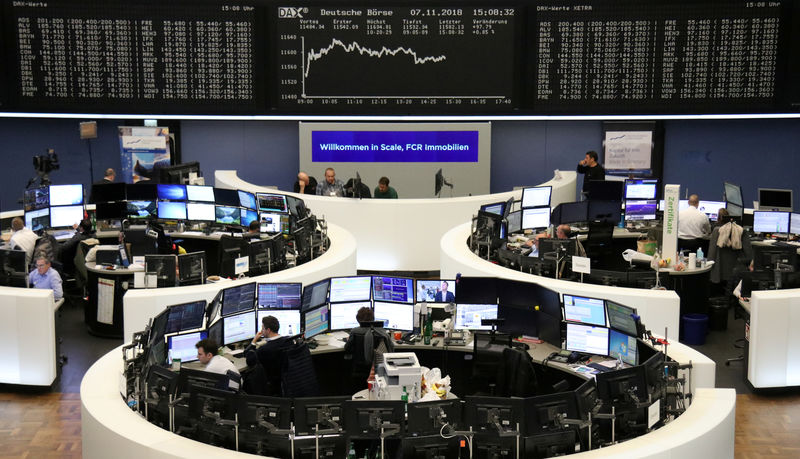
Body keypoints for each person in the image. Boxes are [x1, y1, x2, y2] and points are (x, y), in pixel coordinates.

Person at [344, 307, 394, 391]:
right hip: (378, 371)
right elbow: (391, 351)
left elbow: (347, 348)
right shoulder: (383, 333)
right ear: (373, 319)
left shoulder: (354, 331)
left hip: (358, 370)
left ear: (358, 320)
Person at [708, 209, 752, 296]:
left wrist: (708, 266)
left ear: (718, 218)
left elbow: (711, 253)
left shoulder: (717, 231)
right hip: (736, 271)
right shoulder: (741, 231)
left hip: (719, 270)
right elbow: (749, 254)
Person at [244, 315, 289, 396]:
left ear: (268, 330)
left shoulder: (264, 349)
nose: (261, 331)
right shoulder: (288, 341)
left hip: (270, 384)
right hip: (285, 382)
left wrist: (254, 340)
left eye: (263, 328)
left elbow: (249, 358)